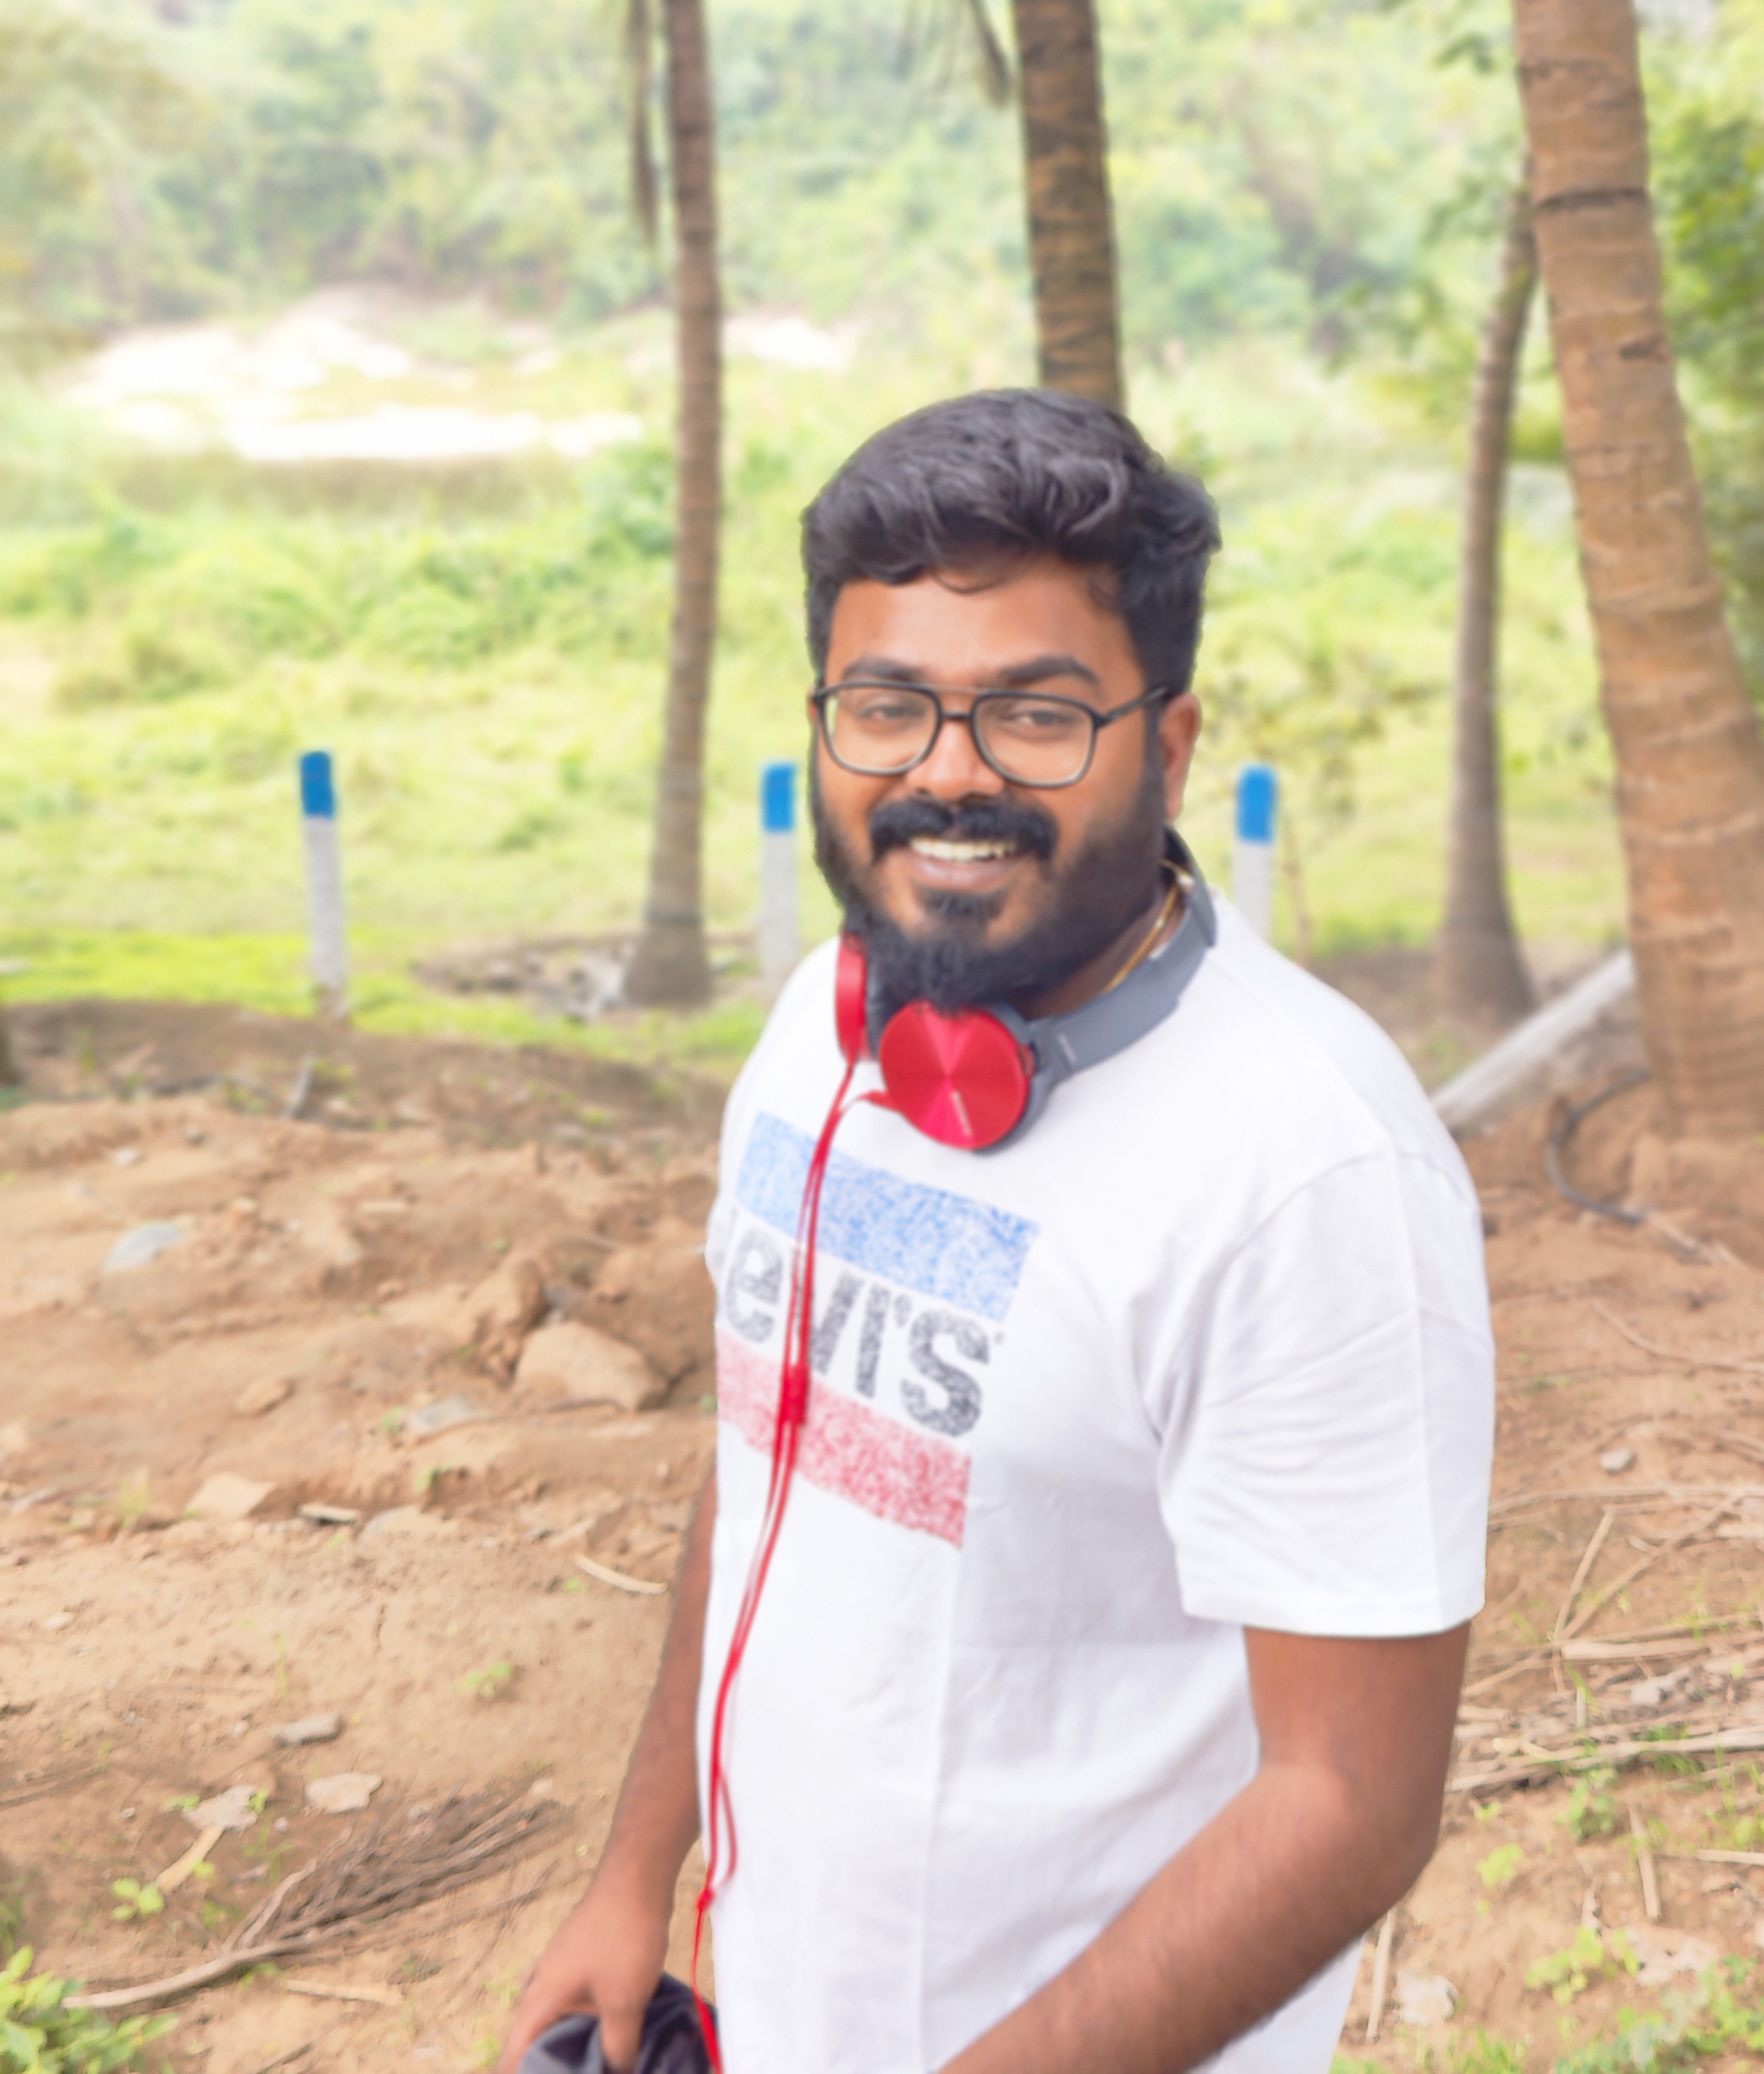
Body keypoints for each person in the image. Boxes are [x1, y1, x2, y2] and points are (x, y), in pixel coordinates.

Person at [498, 389, 1494, 2074]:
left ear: (1166, 747)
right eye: (888, 707)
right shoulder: (821, 1033)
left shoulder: (1307, 1168)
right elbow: (772, 1456)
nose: (947, 774)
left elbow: (1349, 1801)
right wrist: (631, 1874)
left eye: (1035, 715)